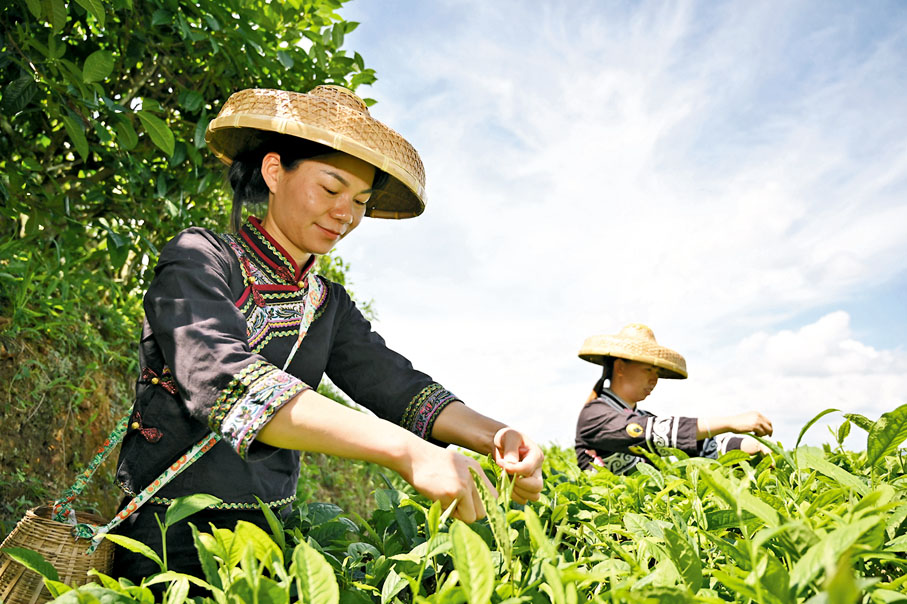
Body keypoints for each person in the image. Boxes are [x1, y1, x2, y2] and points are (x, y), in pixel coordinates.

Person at [111, 86, 543, 581]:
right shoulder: (200, 259)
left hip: (274, 540)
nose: (347, 214)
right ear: (275, 172)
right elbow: (226, 382)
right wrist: (408, 453)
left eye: (360, 200)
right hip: (170, 540)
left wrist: (498, 437)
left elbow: (396, 384)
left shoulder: (326, 304)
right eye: (331, 188)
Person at [574, 323, 773, 474]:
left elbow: (696, 444)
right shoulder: (595, 415)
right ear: (620, 367)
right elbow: (660, 433)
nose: (654, 379)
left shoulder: (641, 416)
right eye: (648, 369)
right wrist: (730, 422)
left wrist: (751, 446)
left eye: (658, 372)